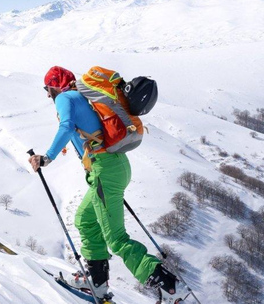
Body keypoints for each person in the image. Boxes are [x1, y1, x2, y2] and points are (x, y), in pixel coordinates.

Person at [28, 66, 189, 303]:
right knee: (84, 219)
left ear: (54, 86)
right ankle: (96, 282)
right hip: (112, 167)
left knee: (116, 239)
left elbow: (66, 126)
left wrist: (47, 157)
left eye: (47, 88)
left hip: (105, 170)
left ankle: (171, 287)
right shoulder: (82, 97)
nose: (47, 94)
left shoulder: (65, 98)